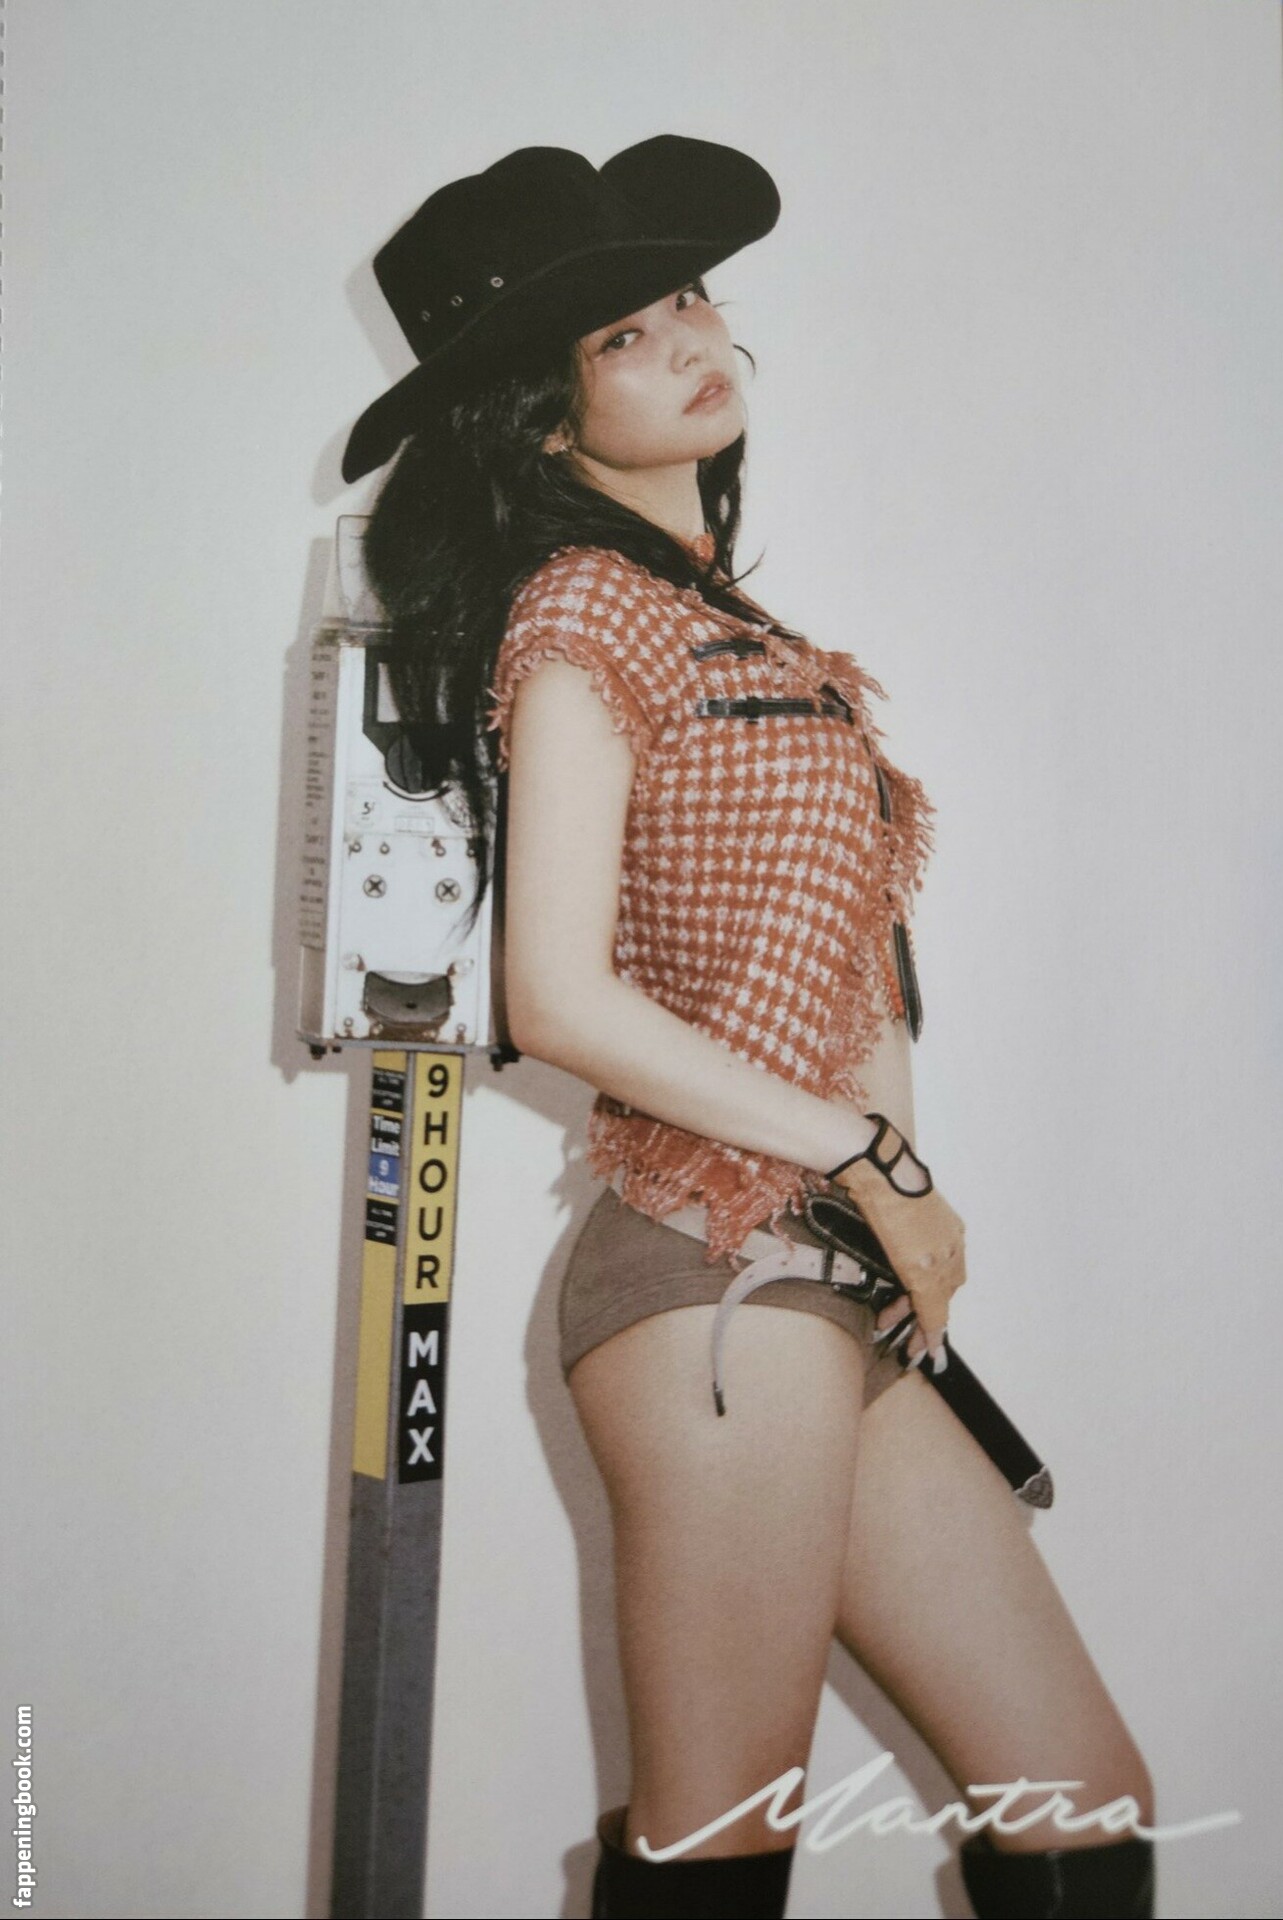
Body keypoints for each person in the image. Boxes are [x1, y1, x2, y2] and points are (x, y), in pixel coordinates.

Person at [343, 136, 1156, 1920]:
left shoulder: (738, 626)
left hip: (824, 1275)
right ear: (542, 418)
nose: (693, 338)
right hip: (708, 1274)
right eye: (624, 334)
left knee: (1082, 1804)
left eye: (690, 297)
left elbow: (847, 972)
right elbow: (554, 997)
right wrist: (874, 1156)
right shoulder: (583, 613)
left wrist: (893, 1190)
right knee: (720, 1848)